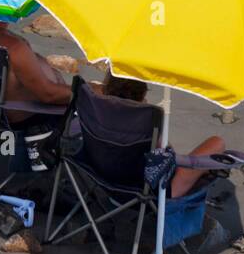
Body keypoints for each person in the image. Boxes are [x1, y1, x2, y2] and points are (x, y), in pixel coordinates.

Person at [92, 71, 228, 198]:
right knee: (217, 143)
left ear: (105, 89)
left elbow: (94, 88)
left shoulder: (94, 111)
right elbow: (168, 157)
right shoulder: (146, 122)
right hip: (149, 192)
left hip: (101, 179)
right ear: (142, 96)